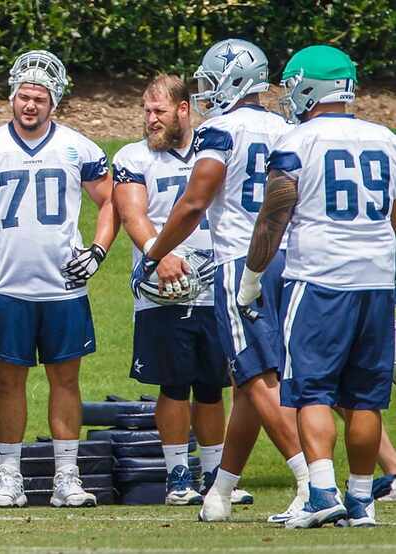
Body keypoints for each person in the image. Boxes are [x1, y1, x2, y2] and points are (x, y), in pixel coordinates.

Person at [130, 39, 308, 522]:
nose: (208, 92)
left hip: (240, 261)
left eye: (212, 81)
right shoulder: (289, 128)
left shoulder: (220, 131)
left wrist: (155, 252)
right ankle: (221, 488)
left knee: (254, 375)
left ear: (233, 80)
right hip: (292, 260)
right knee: (250, 378)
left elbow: (193, 204)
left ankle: (313, 482)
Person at [238, 45, 396, 528]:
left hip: (322, 279)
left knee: (314, 392)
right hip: (379, 278)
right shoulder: (386, 137)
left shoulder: (298, 140)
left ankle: (321, 492)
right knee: (366, 397)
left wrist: (251, 278)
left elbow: (273, 216)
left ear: (309, 86)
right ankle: (362, 501)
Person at [0, 50, 118, 508]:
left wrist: (98, 251)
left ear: (54, 102)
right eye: (24, 97)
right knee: (9, 382)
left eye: (39, 98)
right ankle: (9, 476)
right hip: (6, 285)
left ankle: (67, 476)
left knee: (66, 381)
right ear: (13, 97)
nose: (30, 105)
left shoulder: (78, 147)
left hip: (63, 286)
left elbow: (109, 202)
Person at [113, 74, 251, 506]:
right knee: (173, 385)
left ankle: (215, 476)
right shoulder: (133, 156)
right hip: (162, 286)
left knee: (212, 385)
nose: (150, 119)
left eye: (159, 111)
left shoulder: (216, 147)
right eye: (146, 111)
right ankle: (177, 476)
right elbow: (133, 214)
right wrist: (160, 252)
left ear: (184, 109)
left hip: (215, 283)